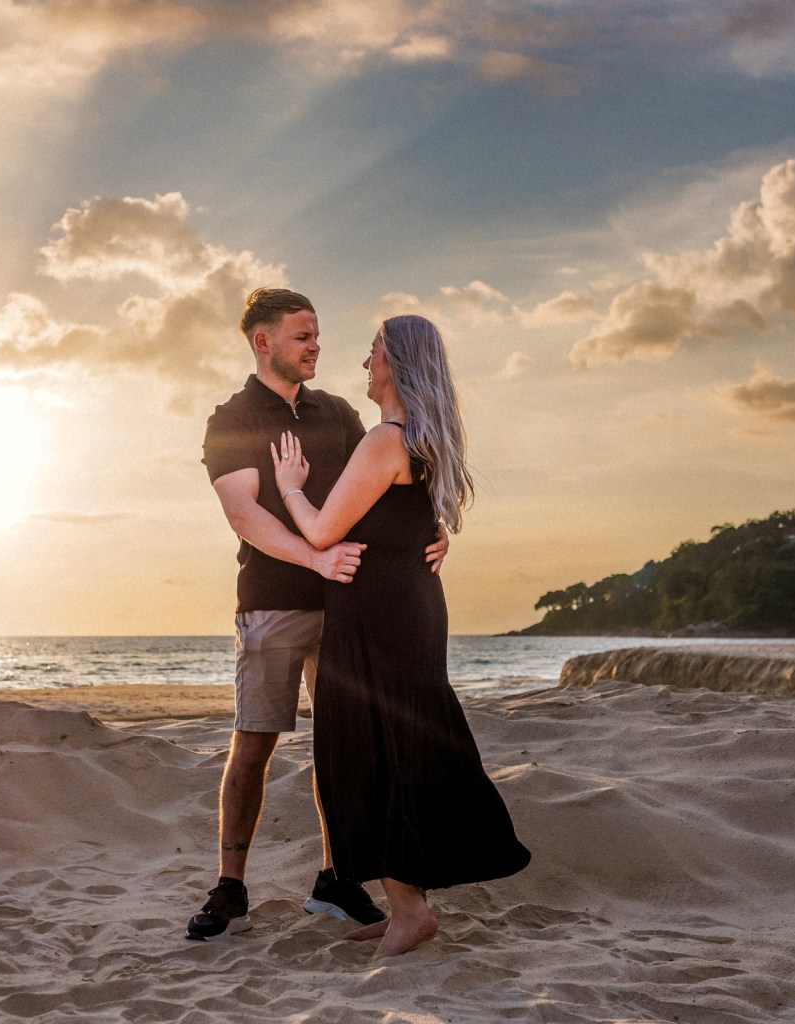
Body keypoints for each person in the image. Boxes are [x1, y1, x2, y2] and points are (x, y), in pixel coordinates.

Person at [190, 289, 448, 942]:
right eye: (302, 336)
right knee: (253, 746)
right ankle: (230, 887)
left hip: (348, 608)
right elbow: (244, 513)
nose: (316, 346)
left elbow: (384, 486)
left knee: (347, 750)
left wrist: (434, 529)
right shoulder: (232, 419)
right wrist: (314, 560)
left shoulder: (338, 413)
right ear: (263, 342)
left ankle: (336, 882)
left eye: (318, 335)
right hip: (273, 606)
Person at [271, 314, 531, 958]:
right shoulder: (419, 438)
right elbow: (413, 523)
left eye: (372, 351)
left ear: (397, 364)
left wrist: (291, 490)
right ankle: (405, 906)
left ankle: (410, 911)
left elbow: (325, 531)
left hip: (380, 614)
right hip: (406, 607)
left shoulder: (386, 439)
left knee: (374, 750)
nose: (363, 364)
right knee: (394, 746)